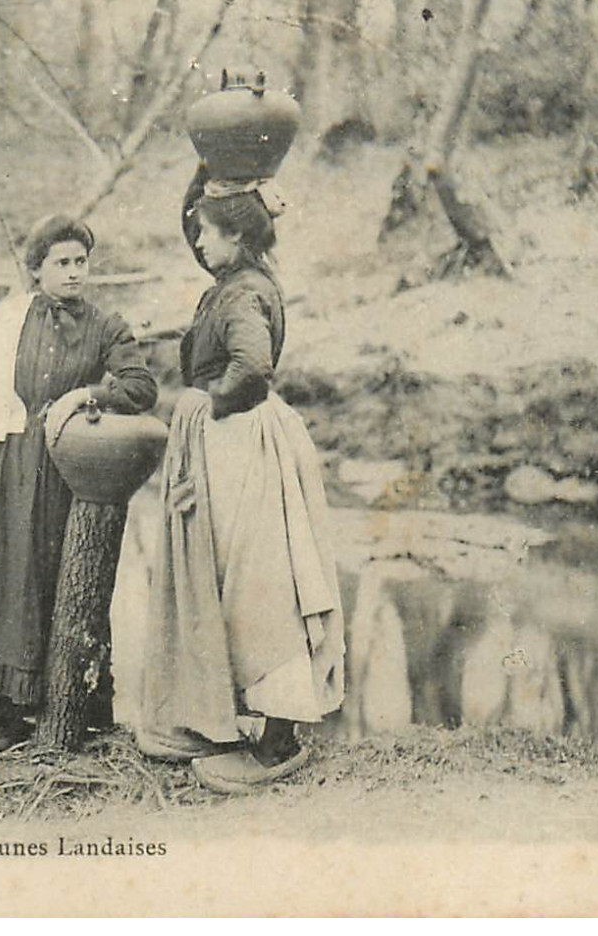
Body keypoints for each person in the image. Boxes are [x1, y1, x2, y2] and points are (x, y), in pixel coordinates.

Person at [139, 171, 345, 792]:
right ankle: (220, 718)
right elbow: (197, 226)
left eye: (206, 232)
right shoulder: (236, 279)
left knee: (263, 586)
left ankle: (279, 742)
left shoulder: (244, 294)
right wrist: (210, 171)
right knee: (229, 578)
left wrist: (210, 401)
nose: (197, 242)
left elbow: (253, 366)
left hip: (245, 444)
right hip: (232, 445)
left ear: (235, 235)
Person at [0, 215, 158, 749]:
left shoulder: (106, 326)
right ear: (37, 270)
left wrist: (87, 396)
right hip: (4, 465)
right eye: (61, 263)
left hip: (60, 469)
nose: (74, 273)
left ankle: (45, 710)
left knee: (45, 582)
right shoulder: (5, 322)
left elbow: (140, 386)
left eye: (81, 262)